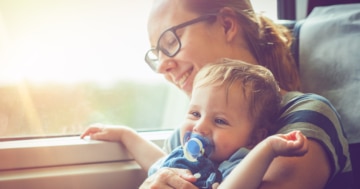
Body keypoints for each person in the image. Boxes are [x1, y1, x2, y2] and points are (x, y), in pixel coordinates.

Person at [142, 0, 353, 188]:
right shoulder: (184, 136)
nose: (161, 66)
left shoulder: (305, 115)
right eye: (156, 54)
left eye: (171, 43)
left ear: (226, 25)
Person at [81, 59, 309, 189]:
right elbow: (158, 163)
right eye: (194, 113)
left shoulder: (235, 165)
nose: (200, 127)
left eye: (220, 120)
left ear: (253, 138)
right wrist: (126, 135)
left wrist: (267, 149)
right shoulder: (185, 158)